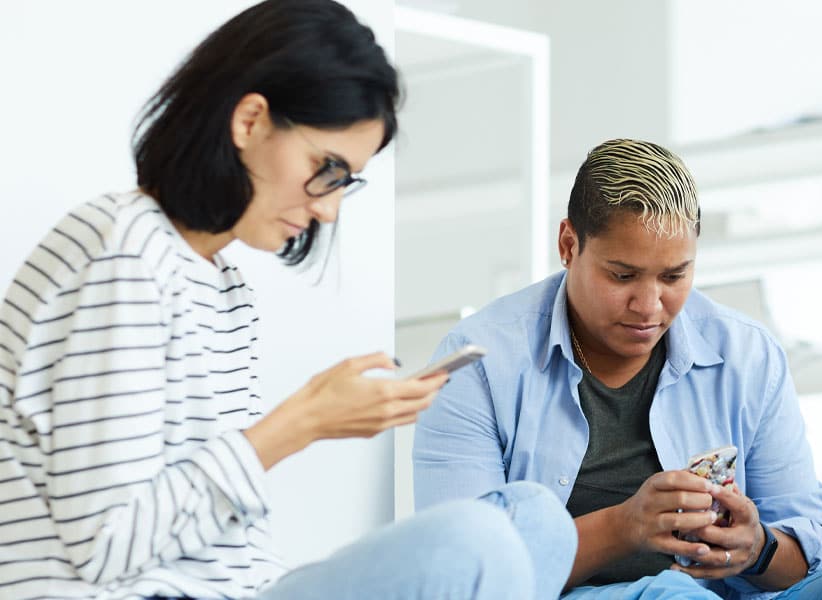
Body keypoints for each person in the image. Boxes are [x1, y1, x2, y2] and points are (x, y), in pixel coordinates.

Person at [0, 1, 574, 598]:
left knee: (537, 520)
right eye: (325, 169)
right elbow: (107, 548)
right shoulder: (121, 249)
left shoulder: (225, 289)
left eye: (345, 182)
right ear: (249, 121)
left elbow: (224, 541)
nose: (328, 209)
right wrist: (303, 421)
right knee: (474, 542)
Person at [413, 138, 822, 600]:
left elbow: (811, 556)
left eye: (673, 276)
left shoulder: (748, 357)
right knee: (670, 594)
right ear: (569, 245)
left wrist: (756, 549)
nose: (649, 305)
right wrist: (624, 527)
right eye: (621, 276)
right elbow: (462, 575)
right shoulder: (478, 364)